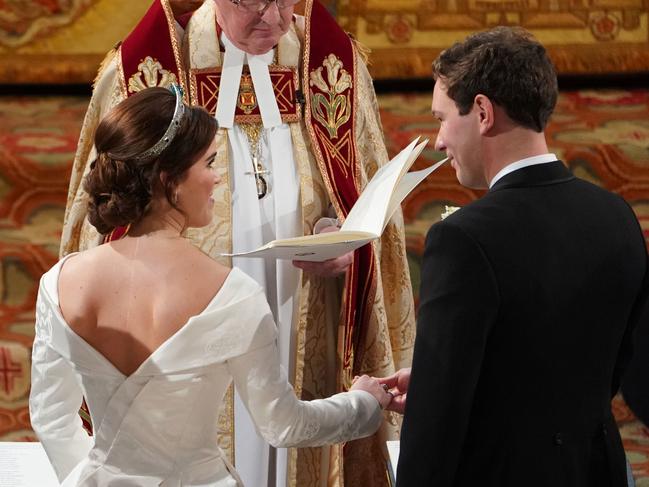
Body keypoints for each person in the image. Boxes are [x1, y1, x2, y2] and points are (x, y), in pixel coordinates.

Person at [60, 1, 415, 485]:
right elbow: (98, 222)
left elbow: (371, 194)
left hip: (306, 308)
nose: (271, 17)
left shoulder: (332, 67)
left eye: (284, 0)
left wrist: (348, 240)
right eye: (250, 1)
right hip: (185, 320)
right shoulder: (146, 73)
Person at [378, 26, 649, 487]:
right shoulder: (617, 215)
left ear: (482, 112)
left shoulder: (462, 239)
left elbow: (435, 430)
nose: (440, 140)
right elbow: (613, 365)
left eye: (442, 118)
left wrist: (436, 392)